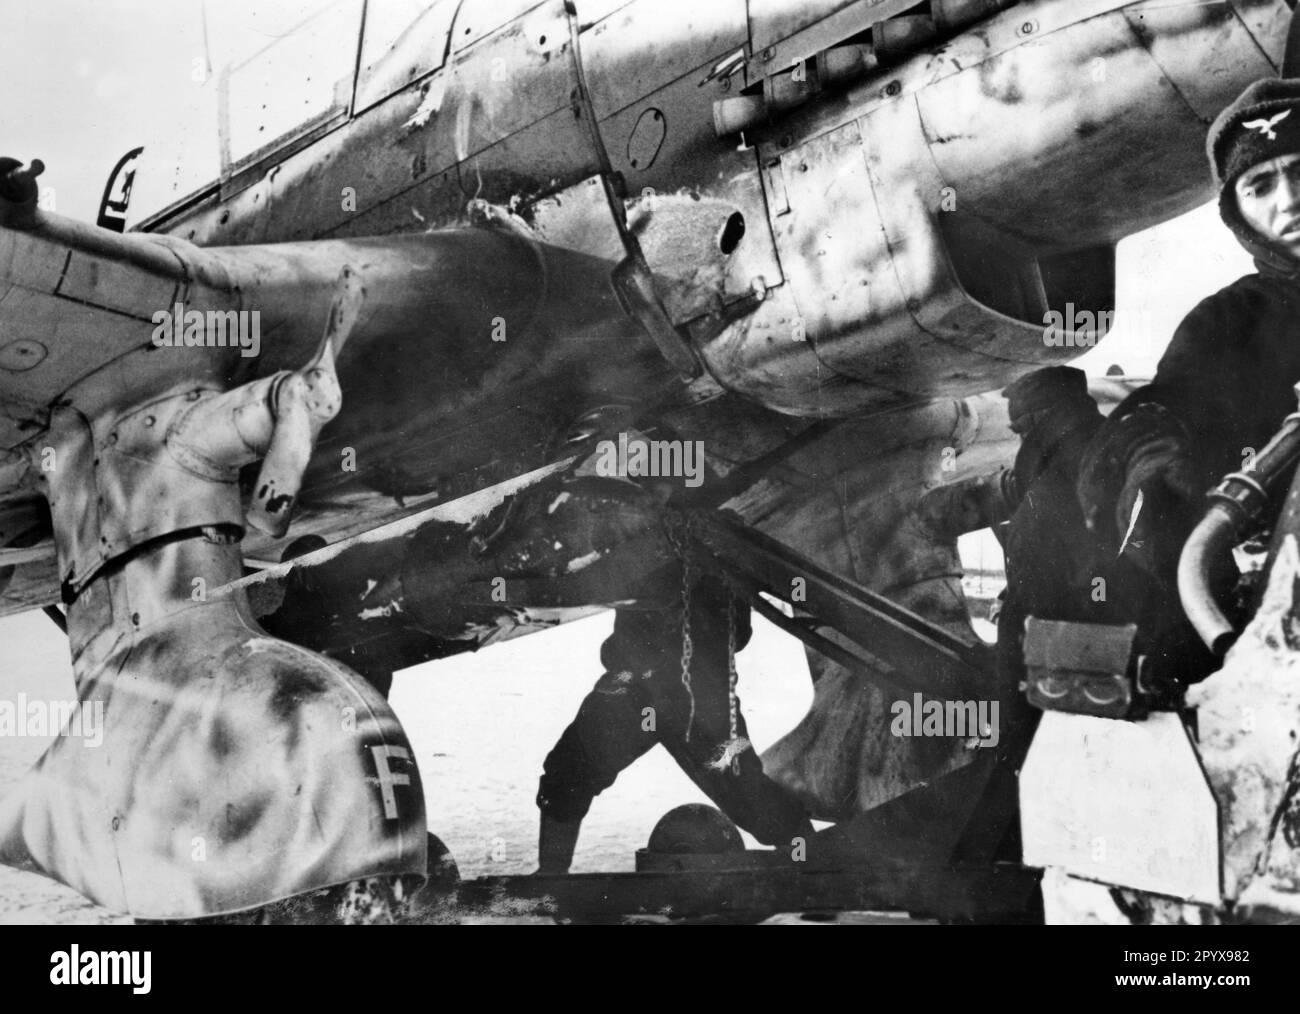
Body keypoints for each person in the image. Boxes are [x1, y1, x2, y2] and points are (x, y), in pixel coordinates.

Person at [1074, 78, 1300, 681]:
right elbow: (1168, 412)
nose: (1290, 201)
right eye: (1261, 184)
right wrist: (1152, 456)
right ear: (1237, 214)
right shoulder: (1224, 322)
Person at [534, 553, 814, 874]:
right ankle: (551, 876)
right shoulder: (706, 540)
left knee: (747, 794)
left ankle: (814, 862)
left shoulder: (698, 540)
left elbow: (738, 632)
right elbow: (741, 636)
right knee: (570, 769)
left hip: (675, 689)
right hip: (658, 687)